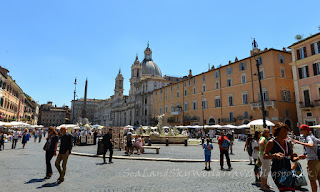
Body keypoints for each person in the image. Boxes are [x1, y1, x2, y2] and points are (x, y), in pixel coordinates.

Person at [264, 122, 306, 192]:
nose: (286, 133)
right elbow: (265, 155)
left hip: (288, 171)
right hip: (277, 170)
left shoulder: (288, 143)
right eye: (283, 132)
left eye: (286, 132)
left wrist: (299, 157)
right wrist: (274, 155)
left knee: (291, 190)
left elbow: (292, 158)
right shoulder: (271, 142)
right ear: (278, 132)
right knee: (284, 190)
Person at [293, 124, 320, 192]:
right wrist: (306, 155)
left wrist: (299, 142)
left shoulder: (308, 137)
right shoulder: (313, 136)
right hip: (318, 160)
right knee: (319, 178)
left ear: (306, 130)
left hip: (312, 161)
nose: (300, 131)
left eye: (301, 130)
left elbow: (311, 145)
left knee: (312, 179)